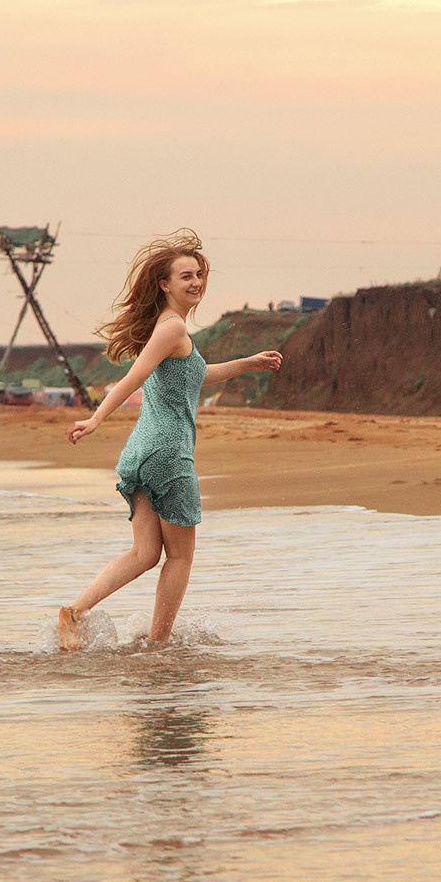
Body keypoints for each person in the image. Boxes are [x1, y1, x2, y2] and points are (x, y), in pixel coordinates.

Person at [55, 231, 282, 650]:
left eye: (198, 275)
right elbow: (134, 378)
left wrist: (249, 363)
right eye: (185, 276)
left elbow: (197, 376)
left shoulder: (169, 330)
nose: (196, 282)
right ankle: (159, 647)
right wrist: (96, 418)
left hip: (140, 452)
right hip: (169, 455)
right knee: (179, 556)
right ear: (164, 284)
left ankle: (74, 612)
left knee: (144, 554)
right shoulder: (173, 327)